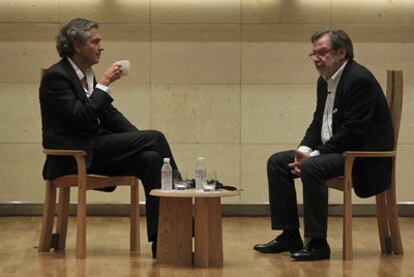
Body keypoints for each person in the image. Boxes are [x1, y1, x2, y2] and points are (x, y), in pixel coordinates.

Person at [39, 18, 178, 258]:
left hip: (96, 148)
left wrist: (139, 139)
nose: (101, 46)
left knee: (151, 157)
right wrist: (104, 84)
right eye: (95, 41)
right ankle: (183, 211)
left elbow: (111, 117)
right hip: (75, 155)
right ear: (76, 44)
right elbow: (81, 118)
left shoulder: (87, 75)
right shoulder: (57, 77)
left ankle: (164, 241)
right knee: (156, 138)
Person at [253, 28, 394, 261]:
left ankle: (318, 243)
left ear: (341, 53)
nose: (316, 58)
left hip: (361, 155)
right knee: (278, 162)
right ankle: (289, 235)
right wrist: (305, 150)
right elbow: (319, 122)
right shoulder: (325, 81)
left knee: (312, 167)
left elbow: (353, 132)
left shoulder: (359, 80)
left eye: (322, 52)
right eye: (313, 53)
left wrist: (315, 156)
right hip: (336, 150)